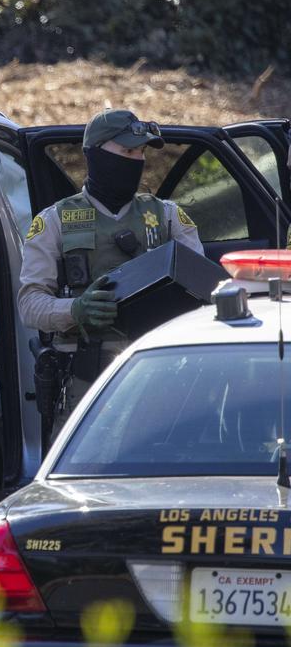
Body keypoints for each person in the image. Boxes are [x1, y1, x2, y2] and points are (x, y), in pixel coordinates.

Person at [18, 109, 203, 437]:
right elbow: (30, 304)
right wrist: (75, 310)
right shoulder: (54, 222)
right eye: (126, 152)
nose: (136, 160)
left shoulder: (168, 216)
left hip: (159, 372)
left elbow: (202, 287)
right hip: (86, 378)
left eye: (140, 152)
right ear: (95, 155)